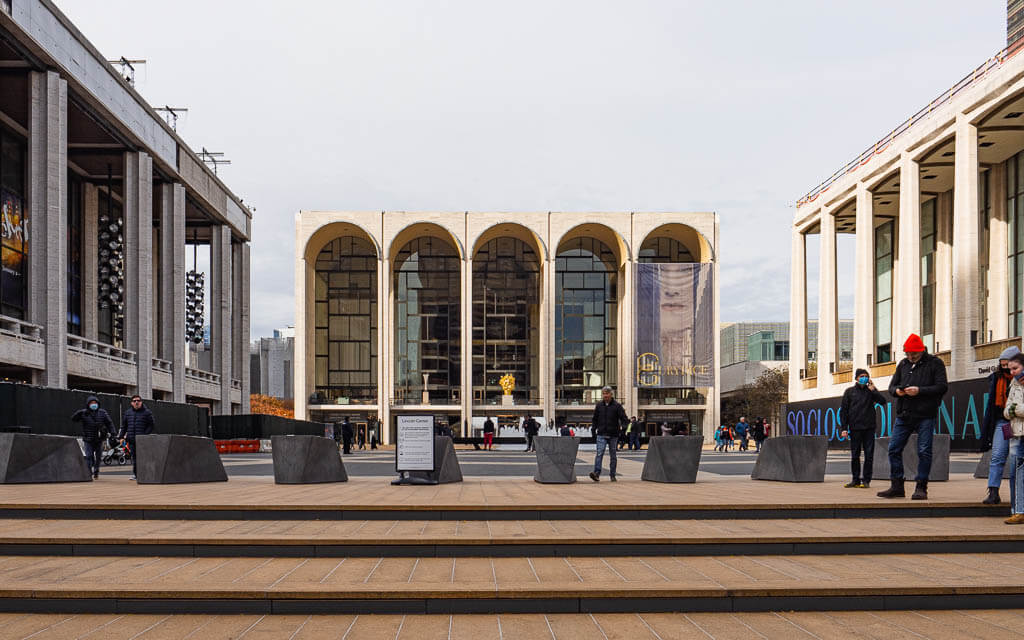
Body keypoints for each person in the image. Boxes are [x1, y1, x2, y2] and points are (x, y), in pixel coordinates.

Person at [877, 333, 948, 501]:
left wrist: (920, 391)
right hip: (904, 413)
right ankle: (897, 486)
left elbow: (942, 387)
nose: (910, 357)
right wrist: (898, 391)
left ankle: (921, 486)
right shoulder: (903, 364)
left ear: (921, 350)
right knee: (894, 448)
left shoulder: (935, 363)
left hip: (925, 414)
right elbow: (891, 387)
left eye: (913, 354)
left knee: (924, 450)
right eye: (908, 354)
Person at [981, 346, 1020, 504]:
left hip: (1018, 422)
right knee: (997, 456)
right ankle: (993, 491)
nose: (1006, 369)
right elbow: (992, 405)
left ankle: (1018, 496)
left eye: (1008, 365)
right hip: (1003, 422)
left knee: (1017, 459)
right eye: (1002, 365)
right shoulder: (996, 379)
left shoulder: (1020, 380)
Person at [839, 368, 885, 489]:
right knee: (855, 455)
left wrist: (874, 390)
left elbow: (883, 401)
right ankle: (855, 479)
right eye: (861, 376)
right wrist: (844, 428)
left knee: (869, 455)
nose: (864, 378)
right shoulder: (849, 392)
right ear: (857, 378)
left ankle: (866, 480)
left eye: (866, 376)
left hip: (869, 428)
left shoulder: (871, 391)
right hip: (855, 428)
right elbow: (844, 411)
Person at [1001, 352, 1024, 524]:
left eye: (1015, 368)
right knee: (1015, 472)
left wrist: (1014, 410)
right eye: (1010, 369)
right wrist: (1011, 411)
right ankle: (1017, 510)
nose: (1013, 372)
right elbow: (1006, 409)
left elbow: (1015, 408)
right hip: (1016, 434)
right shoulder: (1013, 384)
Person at [588, 386, 628, 482]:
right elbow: (595, 419)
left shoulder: (617, 406)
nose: (605, 395)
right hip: (601, 433)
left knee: (613, 455)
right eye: (604, 394)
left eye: (607, 393)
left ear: (611, 394)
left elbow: (624, 419)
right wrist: (593, 430)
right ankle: (596, 473)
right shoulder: (599, 405)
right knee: (599, 453)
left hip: (613, 434)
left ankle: (612, 475)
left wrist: (623, 429)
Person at [71, 395, 114, 480]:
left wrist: (113, 433)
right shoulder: (84, 413)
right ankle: (88, 473)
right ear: (88, 404)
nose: (94, 404)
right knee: (89, 456)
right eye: (92, 403)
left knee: (98, 457)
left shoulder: (102, 412)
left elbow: (109, 423)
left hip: (99, 439)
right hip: (88, 439)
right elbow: (74, 419)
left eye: (95, 403)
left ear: (98, 404)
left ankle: (96, 471)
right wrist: (78, 413)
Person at [118, 395, 155, 480]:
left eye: (138, 400)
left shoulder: (147, 413)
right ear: (131, 403)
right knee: (134, 458)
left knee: (143, 457)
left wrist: (144, 435)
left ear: (141, 402)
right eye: (134, 401)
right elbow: (124, 426)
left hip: (142, 440)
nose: (136, 402)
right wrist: (121, 437)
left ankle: (145, 474)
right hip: (131, 439)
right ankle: (136, 474)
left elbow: (151, 425)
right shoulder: (128, 413)